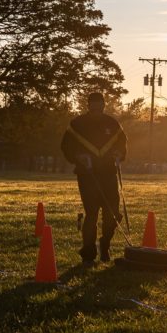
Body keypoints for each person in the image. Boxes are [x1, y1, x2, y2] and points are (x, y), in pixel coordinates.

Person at [61, 92, 127, 264]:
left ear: (104, 105)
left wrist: (120, 153)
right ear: (88, 105)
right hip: (87, 174)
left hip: (108, 173)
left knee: (112, 213)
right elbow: (66, 146)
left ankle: (105, 243)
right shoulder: (77, 124)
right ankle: (88, 252)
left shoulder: (113, 124)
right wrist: (78, 157)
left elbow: (122, 143)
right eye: (94, 104)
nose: (97, 107)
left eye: (100, 104)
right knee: (92, 214)